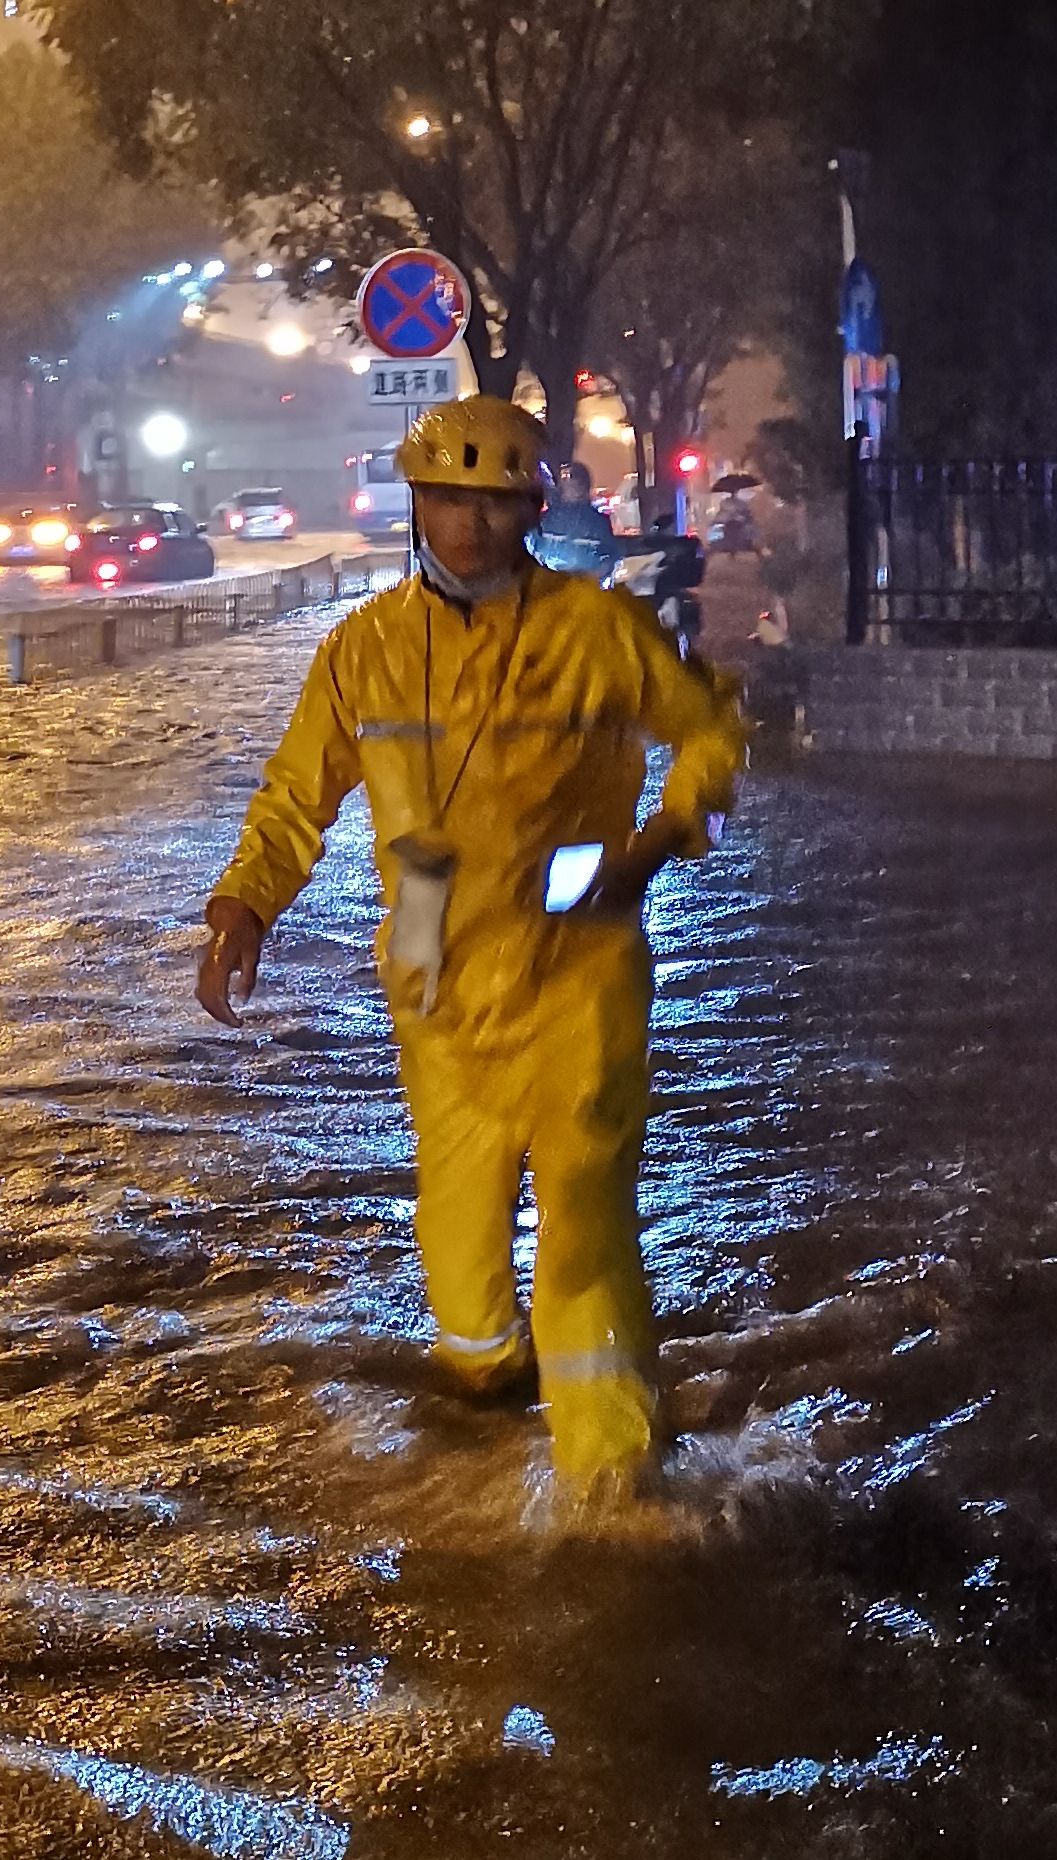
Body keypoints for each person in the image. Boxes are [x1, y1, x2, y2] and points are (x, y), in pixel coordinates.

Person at [195, 395, 747, 1503]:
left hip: (576, 971)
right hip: (439, 991)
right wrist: (245, 908)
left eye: (491, 504)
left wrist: (659, 841)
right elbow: (297, 792)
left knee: (585, 1218)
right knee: (459, 1263)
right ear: (416, 503)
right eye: (447, 498)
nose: (467, 525)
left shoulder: (593, 630)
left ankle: (613, 1480)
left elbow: (710, 729)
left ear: (529, 509)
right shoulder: (366, 650)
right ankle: (486, 1413)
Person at [531, 458, 622, 583]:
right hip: (550, 591)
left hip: (584, 593)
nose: (571, 488)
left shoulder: (598, 523)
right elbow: (531, 550)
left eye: (576, 484)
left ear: (585, 488)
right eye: (567, 483)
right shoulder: (545, 520)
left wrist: (597, 577)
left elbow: (610, 557)